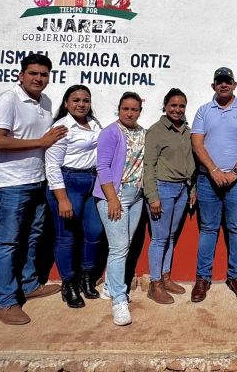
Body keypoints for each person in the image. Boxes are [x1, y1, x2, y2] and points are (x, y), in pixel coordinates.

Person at [0, 53, 66, 325]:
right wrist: (40, 142)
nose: (38, 78)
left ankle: (29, 285)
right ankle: (5, 302)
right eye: (33, 73)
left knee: (33, 236)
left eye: (43, 74)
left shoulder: (46, 102)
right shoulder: (8, 99)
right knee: (8, 241)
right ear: (21, 74)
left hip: (36, 180)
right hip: (10, 183)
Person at [190, 67, 237, 303]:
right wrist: (214, 170)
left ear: (234, 84)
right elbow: (197, 143)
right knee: (208, 229)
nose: (223, 85)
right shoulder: (203, 111)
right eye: (219, 81)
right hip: (208, 180)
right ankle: (203, 278)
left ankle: (236, 277)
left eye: (227, 81)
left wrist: (236, 172)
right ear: (213, 86)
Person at [45, 84, 104, 308]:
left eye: (85, 100)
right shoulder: (62, 127)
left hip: (92, 183)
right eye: (76, 100)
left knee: (94, 232)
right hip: (68, 183)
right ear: (67, 103)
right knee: (66, 237)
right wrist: (62, 198)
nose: (81, 104)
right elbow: (51, 165)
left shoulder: (94, 123)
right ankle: (68, 283)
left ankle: (86, 275)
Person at [95, 92, 147, 326]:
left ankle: (108, 286)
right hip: (115, 195)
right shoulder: (111, 132)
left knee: (124, 244)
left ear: (139, 111)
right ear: (119, 109)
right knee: (119, 248)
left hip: (136, 196)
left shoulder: (141, 132)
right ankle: (118, 299)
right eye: (125, 108)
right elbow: (103, 167)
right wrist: (112, 198)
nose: (129, 113)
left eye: (134, 109)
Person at [143, 88, 197, 305]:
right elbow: (148, 165)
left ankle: (166, 277)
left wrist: (191, 188)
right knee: (159, 238)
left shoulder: (186, 129)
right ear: (165, 106)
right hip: (162, 189)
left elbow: (189, 162)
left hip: (182, 189)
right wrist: (152, 196)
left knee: (170, 236)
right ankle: (154, 284)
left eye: (181, 106)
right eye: (173, 105)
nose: (177, 109)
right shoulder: (156, 131)